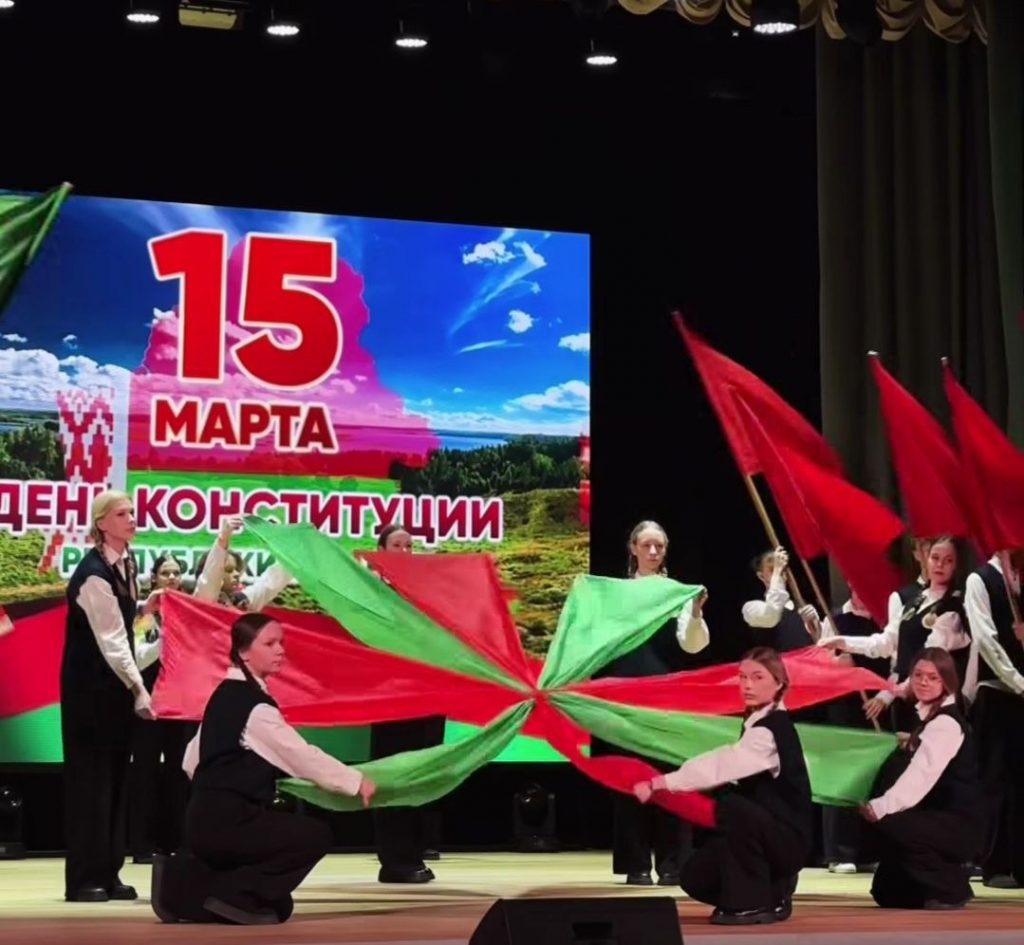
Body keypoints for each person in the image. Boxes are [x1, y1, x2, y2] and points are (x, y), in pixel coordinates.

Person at [152, 613, 375, 925]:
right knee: (314, 836)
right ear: (244, 652)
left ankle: (188, 889)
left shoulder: (222, 697)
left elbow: (191, 762)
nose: (280, 650)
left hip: (201, 819)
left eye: (281, 642)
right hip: (230, 822)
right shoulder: (254, 706)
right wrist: (354, 781)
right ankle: (231, 896)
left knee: (279, 905)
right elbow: (301, 756)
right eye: (270, 644)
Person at [632, 647, 812, 925]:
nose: (748, 685)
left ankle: (754, 902)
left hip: (787, 843)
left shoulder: (770, 730)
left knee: (733, 807)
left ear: (779, 684)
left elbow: (721, 764)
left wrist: (660, 782)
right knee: (695, 875)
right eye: (743, 677)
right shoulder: (757, 722)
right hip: (766, 835)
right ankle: (769, 892)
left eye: (758, 677)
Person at [595, 520, 709, 886]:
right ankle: (636, 863)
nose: (654, 551)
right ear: (633, 548)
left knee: (670, 778)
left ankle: (673, 863)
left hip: (667, 698)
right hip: (625, 697)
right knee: (631, 778)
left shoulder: (676, 593)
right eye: (646, 545)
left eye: (659, 545)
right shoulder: (617, 594)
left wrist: (695, 613)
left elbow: (693, 645)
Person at [61, 490, 158, 902]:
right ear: (101, 523)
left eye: (132, 512)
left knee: (117, 779)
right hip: (90, 692)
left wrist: (146, 609)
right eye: (122, 514)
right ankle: (85, 878)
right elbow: (113, 641)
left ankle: (109, 870)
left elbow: (123, 621)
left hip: (113, 689)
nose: (132, 518)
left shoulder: (127, 563)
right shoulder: (94, 574)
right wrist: (139, 689)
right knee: (92, 785)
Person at [861, 648, 983, 910]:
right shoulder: (930, 718)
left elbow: (920, 777)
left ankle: (953, 887)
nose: (924, 682)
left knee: (890, 821)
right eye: (918, 675)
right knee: (888, 893)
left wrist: (881, 806)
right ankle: (925, 884)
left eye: (933, 677)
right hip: (938, 818)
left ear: (947, 681)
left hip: (958, 825)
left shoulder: (945, 724)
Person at [820, 536, 970, 733]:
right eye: (935, 557)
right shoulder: (915, 600)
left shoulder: (952, 608)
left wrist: (897, 689)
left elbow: (931, 655)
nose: (940, 565)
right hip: (907, 700)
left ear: (956, 566)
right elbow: (887, 642)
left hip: (932, 700)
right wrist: (843, 642)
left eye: (948, 560)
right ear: (926, 559)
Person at [367, 523, 445, 883]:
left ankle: (414, 852)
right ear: (381, 551)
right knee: (394, 775)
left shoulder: (424, 592)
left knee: (420, 773)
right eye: (398, 545)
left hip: (427, 693)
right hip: (390, 696)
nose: (406, 551)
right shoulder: (370, 591)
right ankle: (395, 860)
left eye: (410, 546)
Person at [963, 546, 1024, 889]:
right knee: (996, 780)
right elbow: (986, 640)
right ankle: (995, 863)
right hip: (997, 691)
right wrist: (1018, 682)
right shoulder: (981, 580)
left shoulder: (1020, 580)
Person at [128, 553, 191, 863]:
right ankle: (141, 845)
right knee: (145, 774)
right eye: (165, 572)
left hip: (180, 707)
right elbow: (139, 659)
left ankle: (175, 842)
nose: (172, 578)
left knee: (179, 774)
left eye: (176, 572)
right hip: (149, 706)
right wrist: (169, 636)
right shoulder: (142, 614)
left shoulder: (188, 613)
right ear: (153, 577)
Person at [821, 590, 890, 874]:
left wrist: (884, 697)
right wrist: (839, 666)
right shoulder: (835, 619)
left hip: (876, 703)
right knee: (844, 775)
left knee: (873, 775)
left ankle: (869, 850)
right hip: (843, 705)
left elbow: (895, 660)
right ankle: (840, 852)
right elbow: (819, 662)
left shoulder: (884, 619)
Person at [194, 516, 293, 611]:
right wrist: (223, 538)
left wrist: (281, 542)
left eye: (237, 569)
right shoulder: (204, 599)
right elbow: (211, 576)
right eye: (229, 570)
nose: (236, 574)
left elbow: (271, 582)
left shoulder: (242, 600)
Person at [742, 547, 823, 652]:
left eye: (783, 569)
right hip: (779, 662)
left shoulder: (801, 604)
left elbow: (819, 642)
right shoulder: (751, 607)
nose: (780, 572)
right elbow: (772, 614)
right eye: (772, 569)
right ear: (761, 576)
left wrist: (816, 625)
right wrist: (777, 571)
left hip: (808, 660)